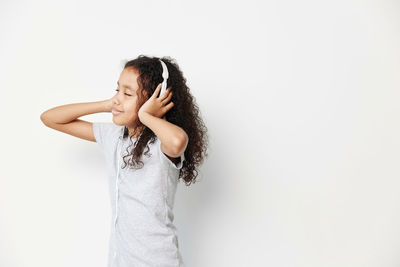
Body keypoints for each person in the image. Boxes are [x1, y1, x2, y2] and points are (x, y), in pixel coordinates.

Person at [40, 55, 209, 267]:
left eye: (128, 93)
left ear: (157, 99)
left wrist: (147, 116)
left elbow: (178, 141)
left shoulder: (161, 144)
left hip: (158, 261)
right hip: (120, 260)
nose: (118, 98)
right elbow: (50, 118)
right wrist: (107, 105)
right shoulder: (113, 136)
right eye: (117, 90)